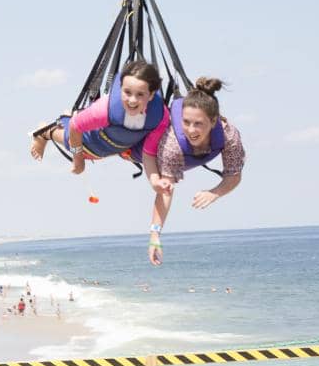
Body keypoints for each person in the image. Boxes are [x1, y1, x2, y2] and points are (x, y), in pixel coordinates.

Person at [148, 77, 245, 266]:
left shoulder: (229, 135)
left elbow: (234, 175)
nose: (190, 130)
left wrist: (215, 192)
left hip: (193, 156)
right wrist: (154, 235)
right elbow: (165, 191)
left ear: (213, 121)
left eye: (198, 123)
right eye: (186, 122)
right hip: (148, 153)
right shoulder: (173, 143)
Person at [30, 61, 169, 183]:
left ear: (151, 95)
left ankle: (71, 116)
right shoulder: (105, 110)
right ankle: (45, 133)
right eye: (127, 92)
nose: (132, 100)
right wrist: (78, 159)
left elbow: (150, 152)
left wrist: (156, 180)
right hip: (88, 142)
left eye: (140, 94)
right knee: (68, 137)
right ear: (120, 89)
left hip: (118, 147)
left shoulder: (159, 116)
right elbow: (75, 126)